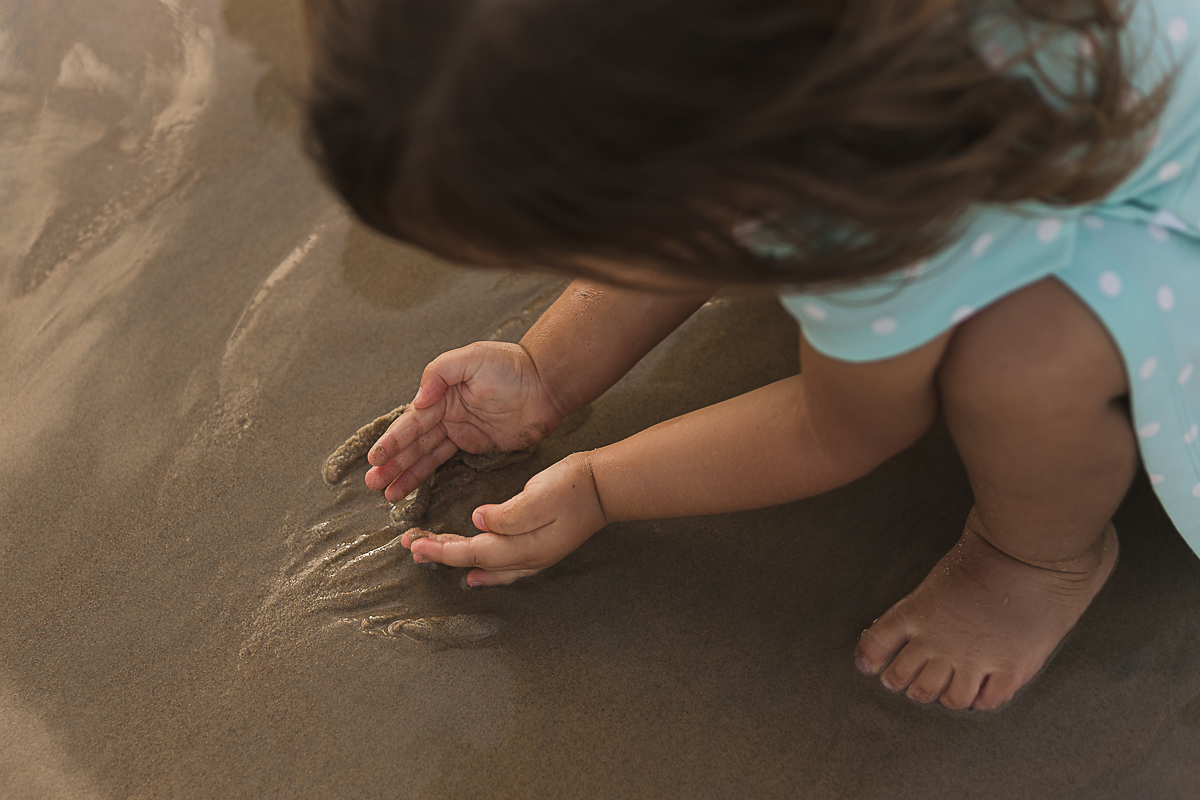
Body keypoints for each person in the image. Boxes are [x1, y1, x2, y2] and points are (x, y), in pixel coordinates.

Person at [302, 0, 1200, 710]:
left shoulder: (879, 178)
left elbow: (836, 427)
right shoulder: (745, 50)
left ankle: (1038, 558)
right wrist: (546, 371)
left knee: (1026, 348)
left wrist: (602, 485)